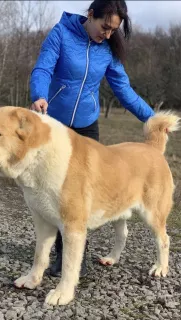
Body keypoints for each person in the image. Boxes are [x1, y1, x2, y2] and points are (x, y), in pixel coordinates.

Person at [30, 0, 155, 278]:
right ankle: (58, 255)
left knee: (79, 195)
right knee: (57, 193)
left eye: (113, 31)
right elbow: (42, 68)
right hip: (56, 126)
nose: (108, 34)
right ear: (91, 15)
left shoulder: (108, 50)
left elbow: (124, 90)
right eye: (105, 27)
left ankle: (73, 256)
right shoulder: (61, 33)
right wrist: (38, 94)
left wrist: (152, 118)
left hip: (87, 128)